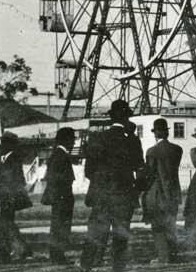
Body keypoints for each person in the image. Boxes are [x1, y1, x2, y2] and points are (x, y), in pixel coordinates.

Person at [79, 100, 145, 272]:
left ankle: (85, 265)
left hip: (101, 194)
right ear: (126, 118)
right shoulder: (132, 141)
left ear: (111, 118)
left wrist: (101, 183)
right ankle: (118, 269)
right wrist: (136, 190)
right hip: (124, 195)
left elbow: (88, 171)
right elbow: (140, 169)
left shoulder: (97, 138)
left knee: (95, 233)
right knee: (120, 237)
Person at [142, 118, 183, 264]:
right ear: (167, 132)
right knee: (171, 225)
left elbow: (150, 174)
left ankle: (163, 257)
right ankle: (173, 255)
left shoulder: (152, 151)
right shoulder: (177, 149)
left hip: (157, 193)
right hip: (173, 192)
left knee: (158, 226)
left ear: (155, 133)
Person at [0, 132, 34, 262]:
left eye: (3, 142)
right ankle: (19, 251)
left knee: (5, 225)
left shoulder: (12, 159)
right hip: (6, 198)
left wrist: (10, 196)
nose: (1, 145)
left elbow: (16, 180)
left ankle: (11, 252)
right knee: (7, 225)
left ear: (10, 144)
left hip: (9, 198)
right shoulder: (7, 159)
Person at [44, 126, 76, 265]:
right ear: (66, 140)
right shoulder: (61, 156)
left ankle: (56, 255)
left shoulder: (57, 154)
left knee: (58, 226)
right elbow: (59, 179)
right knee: (61, 227)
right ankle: (58, 256)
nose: (73, 143)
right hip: (62, 197)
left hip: (59, 197)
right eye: (72, 140)